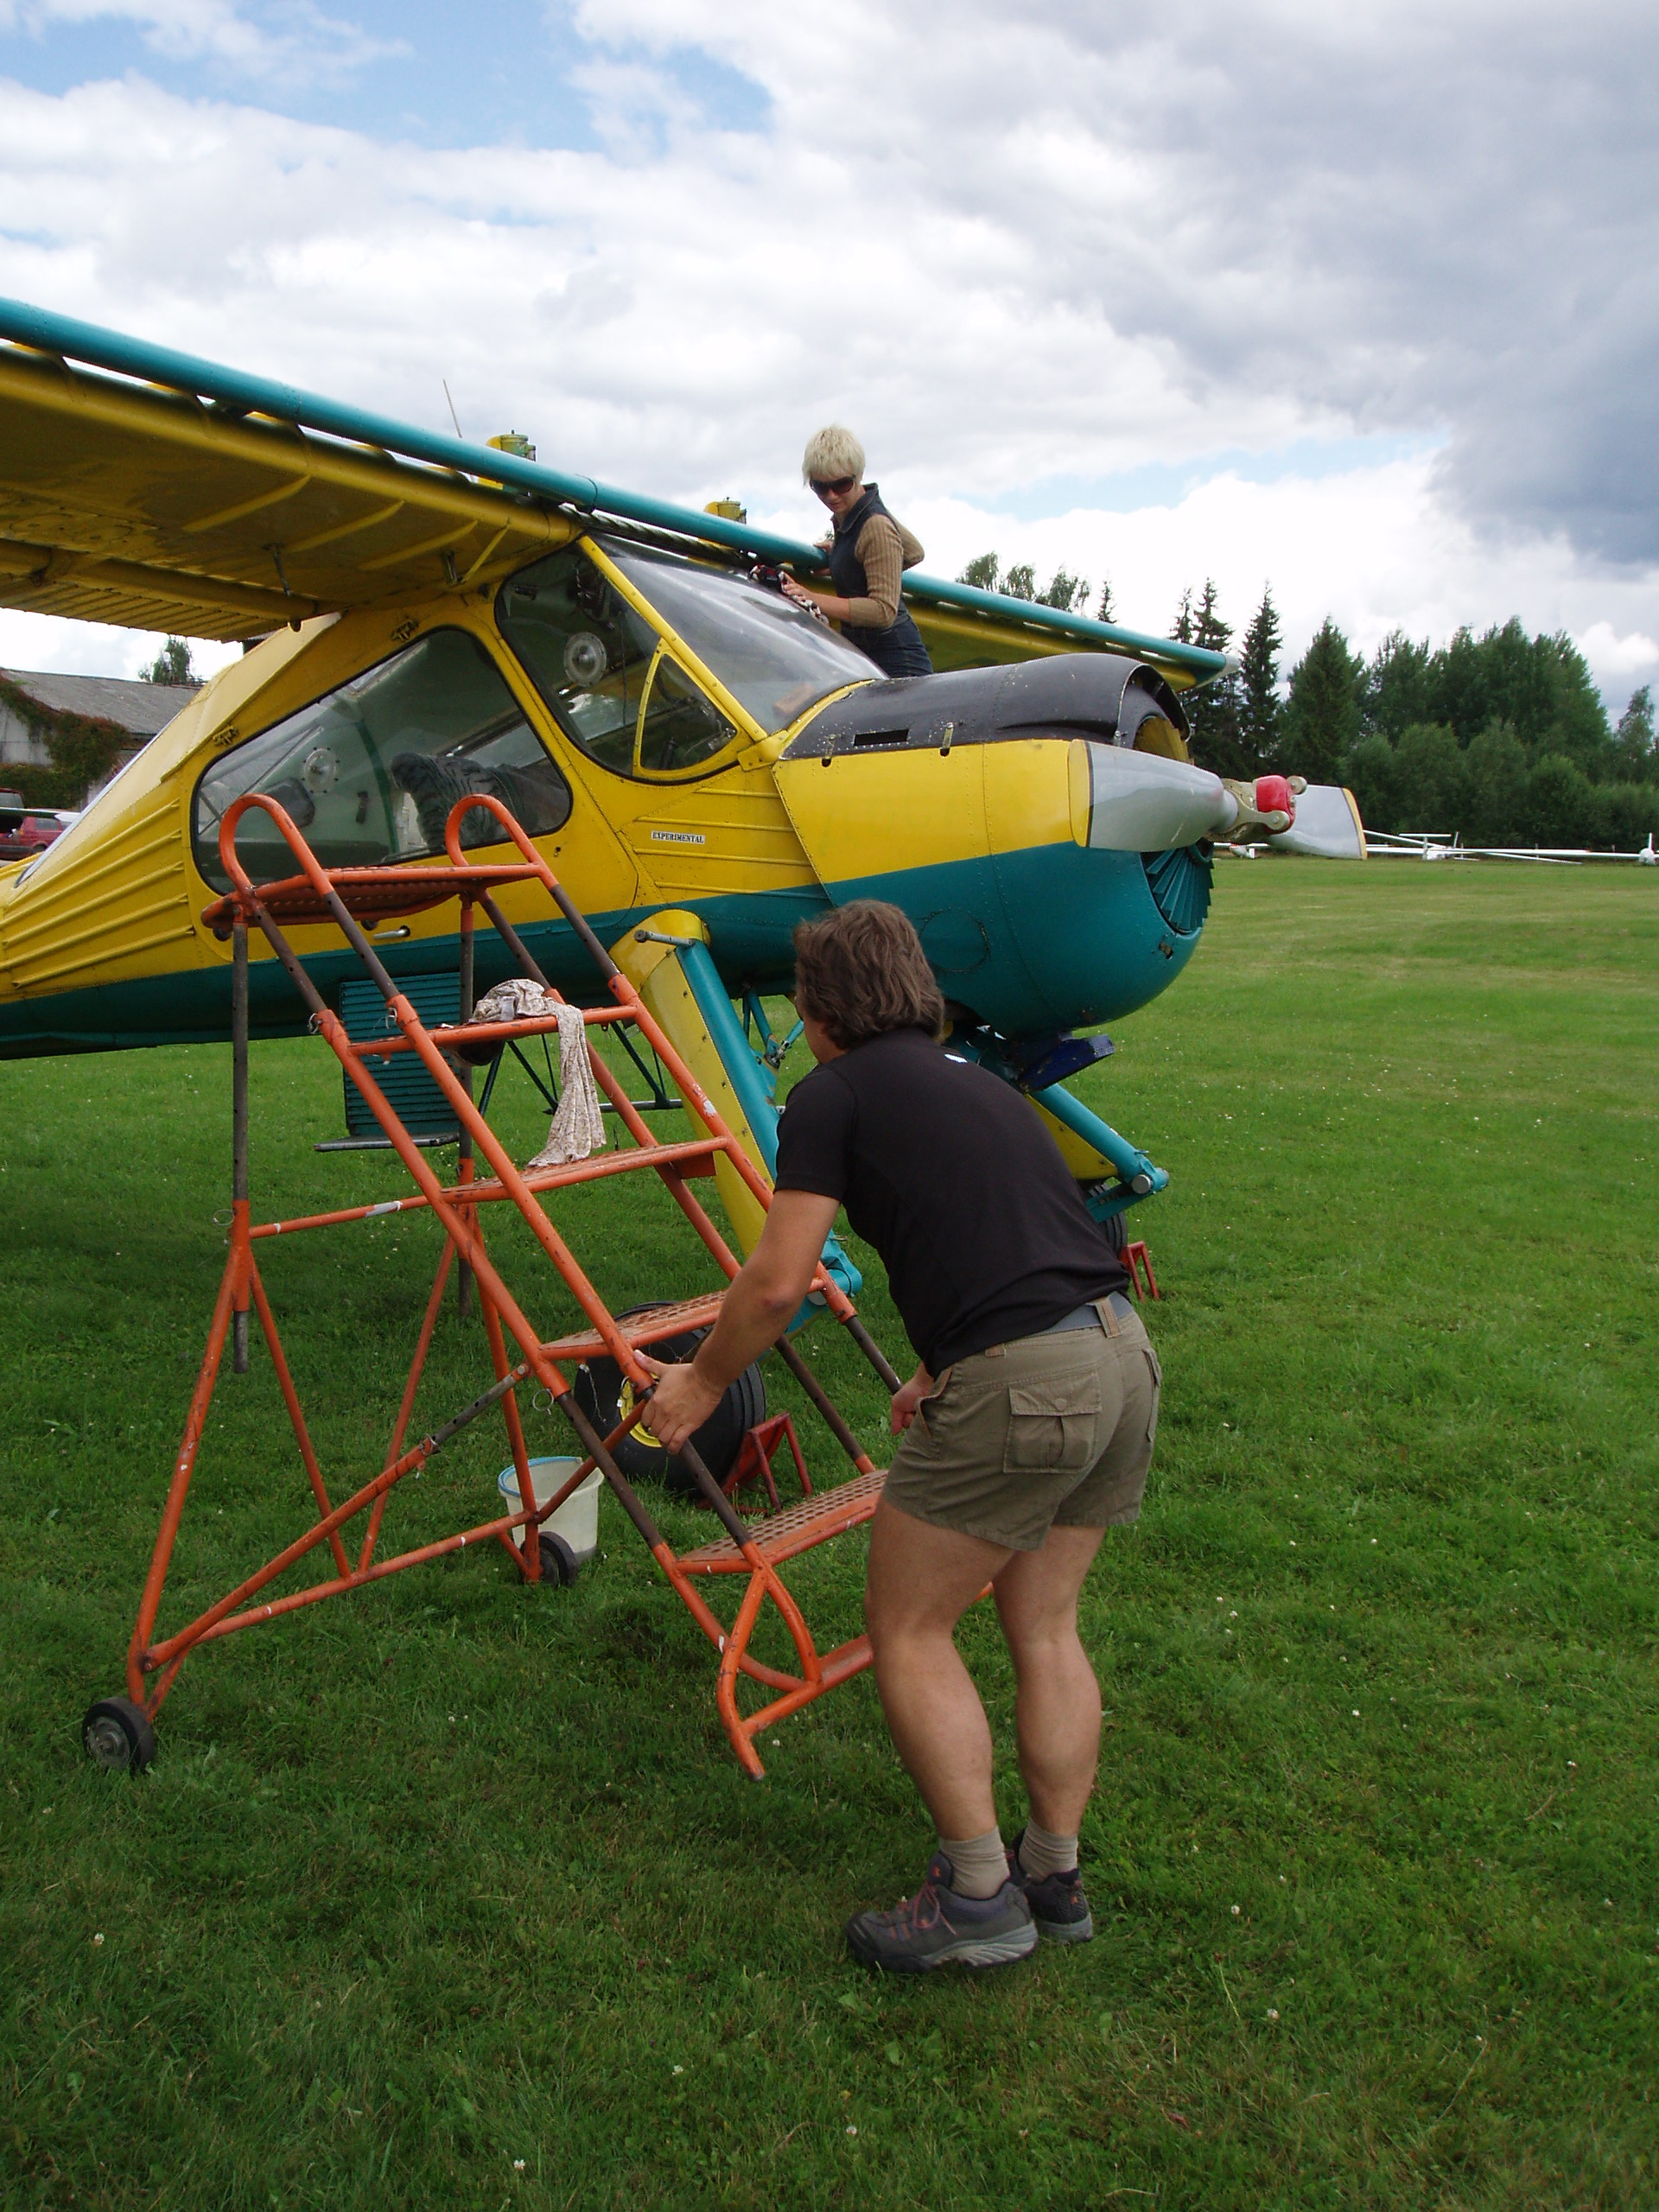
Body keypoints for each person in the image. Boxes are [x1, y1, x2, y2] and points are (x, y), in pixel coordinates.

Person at [644, 902, 1162, 1974]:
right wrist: (936, 1366)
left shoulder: (829, 1095)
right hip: (1119, 1356)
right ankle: (1052, 1874)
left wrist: (699, 1382)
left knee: (911, 1628)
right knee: (1047, 1626)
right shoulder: (981, 1082)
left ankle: (978, 1894)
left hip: (1027, 1380)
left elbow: (780, 1279)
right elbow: (1019, 1229)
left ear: (822, 1006)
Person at [779, 428, 934, 679]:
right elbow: (913, 552)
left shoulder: (874, 525)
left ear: (858, 476)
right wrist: (846, 558)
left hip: (898, 663)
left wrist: (810, 597)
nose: (831, 495)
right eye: (820, 487)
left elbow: (883, 611)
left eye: (842, 484)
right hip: (869, 654)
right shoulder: (854, 518)